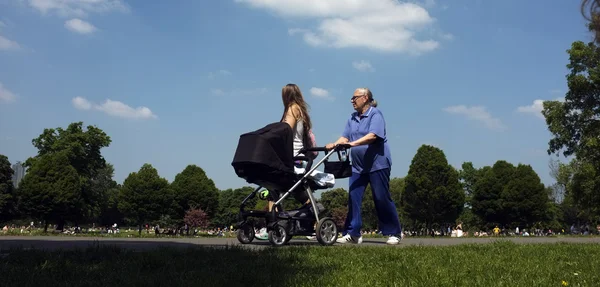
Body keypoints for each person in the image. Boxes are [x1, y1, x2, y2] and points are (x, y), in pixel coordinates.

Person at [326, 87, 402, 245]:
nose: (352, 100)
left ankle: (394, 232)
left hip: (378, 164)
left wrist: (351, 144)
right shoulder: (352, 117)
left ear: (365, 97)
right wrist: (335, 144)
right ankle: (353, 233)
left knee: (381, 197)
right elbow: (344, 137)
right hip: (358, 166)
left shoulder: (375, 114)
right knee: (353, 196)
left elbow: (373, 136)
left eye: (355, 97)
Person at [255, 83, 323, 240]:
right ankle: (313, 211)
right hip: (298, 157)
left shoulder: (292, 108)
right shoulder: (301, 110)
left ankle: (273, 225)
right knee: (294, 190)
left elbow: (285, 130)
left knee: (273, 186)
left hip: (292, 157)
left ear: (286, 96)